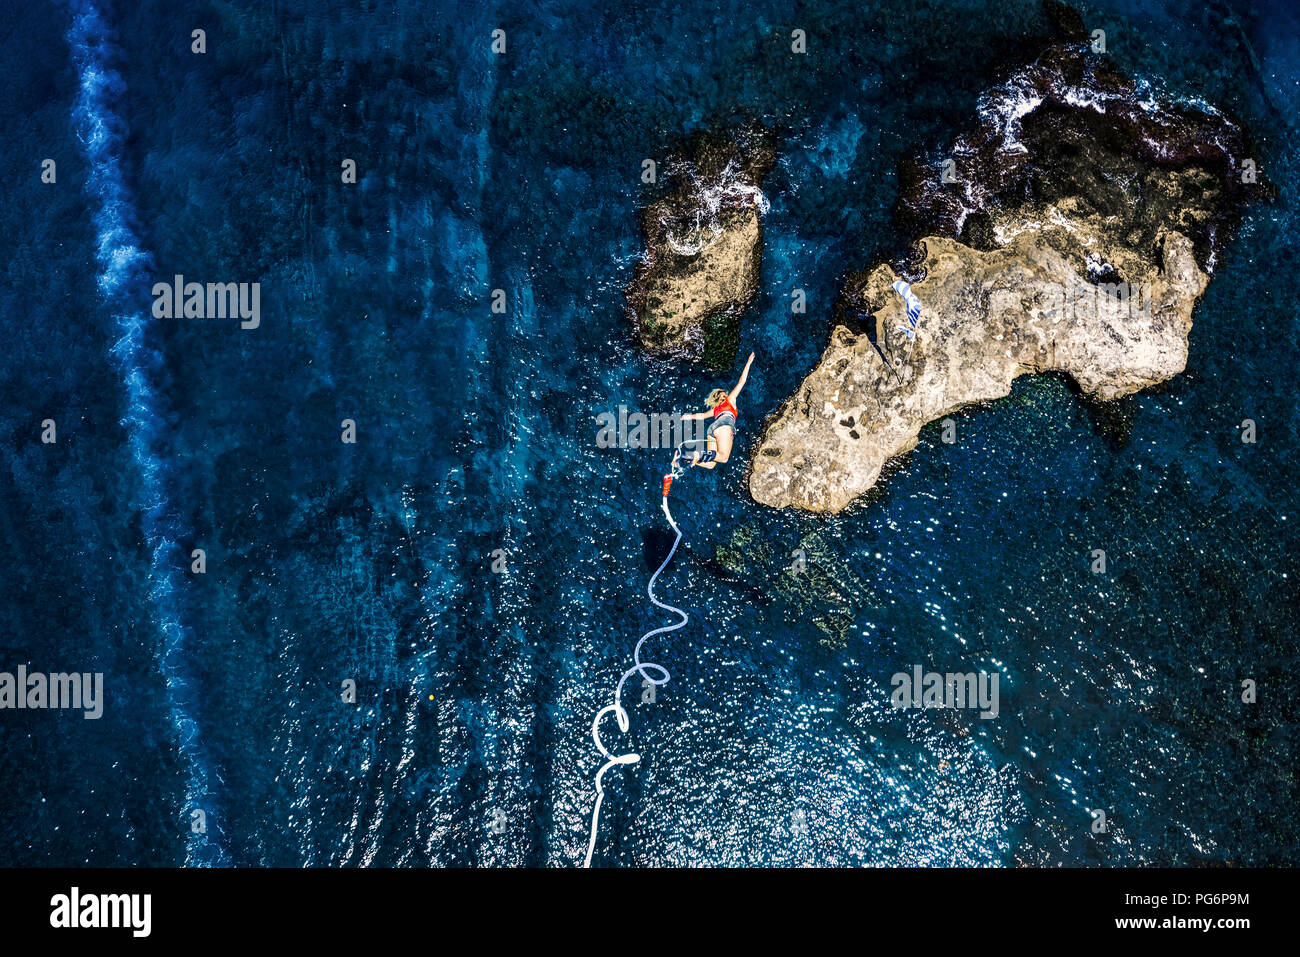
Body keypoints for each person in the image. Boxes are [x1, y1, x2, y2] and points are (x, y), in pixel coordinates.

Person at [677, 351, 755, 470]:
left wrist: (686, 417)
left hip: (712, 429)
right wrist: (748, 363)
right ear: (724, 396)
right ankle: (697, 454)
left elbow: (702, 416)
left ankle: (686, 457)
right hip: (724, 424)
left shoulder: (715, 409)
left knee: (711, 464)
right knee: (723, 458)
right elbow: (741, 382)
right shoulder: (730, 400)